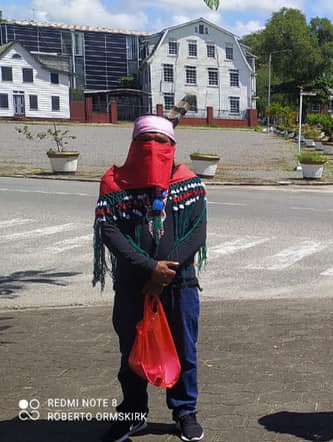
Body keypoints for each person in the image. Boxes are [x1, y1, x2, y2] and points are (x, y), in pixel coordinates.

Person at [94, 111, 208, 442]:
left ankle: (185, 413)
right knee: (132, 353)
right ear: (133, 144)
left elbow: (196, 233)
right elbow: (109, 231)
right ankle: (133, 415)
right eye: (146, 140)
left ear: (172, 145)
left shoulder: (189, 182)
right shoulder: (114, 182)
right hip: (133, 284)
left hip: (180, 284)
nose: (153, 146)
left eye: (161, 141)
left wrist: (164, 273)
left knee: (185, 351)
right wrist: (149, 268)